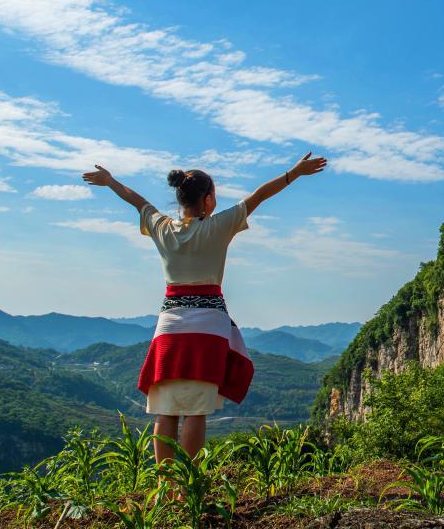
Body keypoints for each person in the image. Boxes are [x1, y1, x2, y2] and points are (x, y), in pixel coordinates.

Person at [81, 152, 327, 473]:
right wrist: (294, 172)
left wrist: (110, 181)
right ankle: (189, 483)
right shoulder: (218, 227)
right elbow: (258, 196)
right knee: (196, 411)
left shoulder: (163, 228)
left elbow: (137, 201)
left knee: (165, 412)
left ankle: (164, 485)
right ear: (208, 199)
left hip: (169, 327)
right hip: (208, 330)